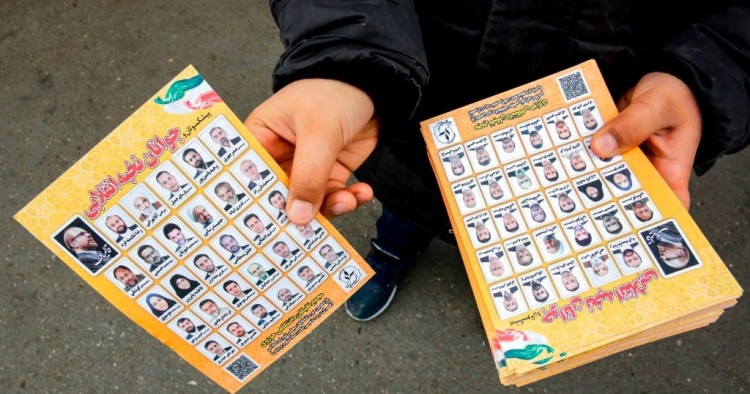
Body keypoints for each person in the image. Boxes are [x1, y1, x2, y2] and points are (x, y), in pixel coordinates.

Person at [248, 2, 750, 322]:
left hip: (592, 130)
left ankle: (496, 286)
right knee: (404, 210)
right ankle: (391, 252)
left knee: (521, 246)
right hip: (416, 103)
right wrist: (345, 61)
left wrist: (705, 78)